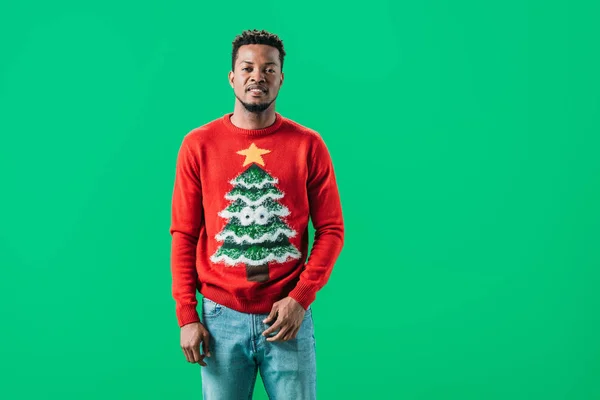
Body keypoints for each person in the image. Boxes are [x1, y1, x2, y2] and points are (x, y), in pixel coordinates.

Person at [169, 29, 344, 400]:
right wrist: (187, 314)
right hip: (219, 320)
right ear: (232, 77)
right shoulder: (198, 145)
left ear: (281, 77)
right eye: (247, 68)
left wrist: (301, 297)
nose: (257, 77)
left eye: (269, 69)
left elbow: (331, 229)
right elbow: (184, 233)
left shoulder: (308, 145)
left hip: (288, 317)